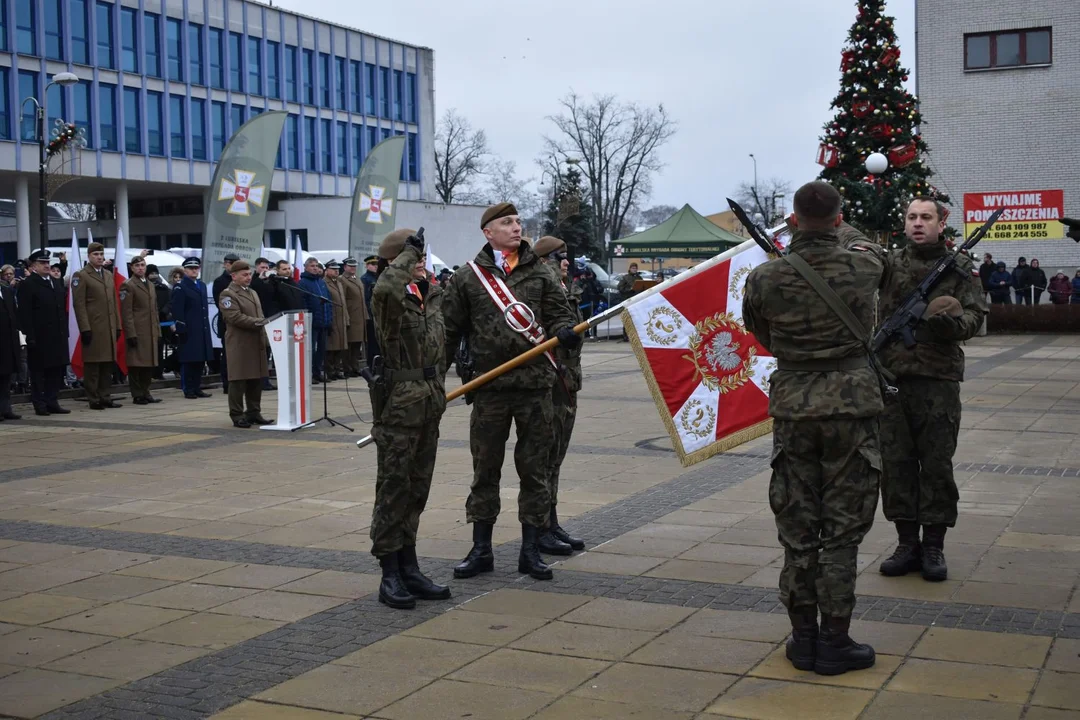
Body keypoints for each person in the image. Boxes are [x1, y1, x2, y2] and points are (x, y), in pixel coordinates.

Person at [742, 181, 885, 676]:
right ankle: (836, 639)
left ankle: (803, 638)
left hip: (794, 407)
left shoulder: (764, 278)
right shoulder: (864, 265)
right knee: (842, 531)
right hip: (851, 408)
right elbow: (869, 248)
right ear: (840, 218)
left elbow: (760, 333)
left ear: (794, 219)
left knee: (799, 528)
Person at [443, 202, 579, 582]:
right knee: (485, 470)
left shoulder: (540, 272)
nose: (517, 227)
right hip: (490, 390)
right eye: (507, 223)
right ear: (488, 232)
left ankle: (531, 550)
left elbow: (560, 314)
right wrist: (431, 379)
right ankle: (481, 549)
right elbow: (449, 332)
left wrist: (565, 331)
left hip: (536, 388)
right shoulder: (468, 278)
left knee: (535, 472)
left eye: (518, 222)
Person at [877, 197, 986, 585]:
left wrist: (948, 325)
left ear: (942, 223)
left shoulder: (959, 269)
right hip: (890, 380)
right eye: (911, 217)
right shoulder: (888, 264)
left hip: (937, 381)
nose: (918, 223)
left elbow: (975, 317)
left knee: (937, 464)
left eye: (926, 217)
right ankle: (907, 543)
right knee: (896, 463)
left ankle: (934, 544)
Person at [368, 228, 450, 609]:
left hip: (429, 404)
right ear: (394, 261)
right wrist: (406, 255)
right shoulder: (390, 299)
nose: (419, 262)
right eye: (411, 258)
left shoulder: (428, 296)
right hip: (399, 407)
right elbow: (385, 288)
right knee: (393, 490)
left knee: (417, 490)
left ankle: (410, 566)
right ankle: (389, 572)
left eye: (420, 256)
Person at [534, 235, 586, 554]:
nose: (566, 261)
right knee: (544, 458)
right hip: (550, 384)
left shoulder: (565, 291)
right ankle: (540, 527)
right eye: (558, 257)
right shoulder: (540, 293)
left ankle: (551, 522)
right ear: (542, 262)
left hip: (568, 384)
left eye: (566, 256)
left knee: (556, 459)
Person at [16, 250, 70, 416]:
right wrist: (29, 336)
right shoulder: (28, 284)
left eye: (48, 262)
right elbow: (24, 314)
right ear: (33, 266)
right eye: (42, 263)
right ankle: (39, 403)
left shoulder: (55, 282)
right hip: (39, 337)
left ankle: (52, 401)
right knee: (39, 373)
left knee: (55, 371)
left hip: (57, 335)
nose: (47, 265)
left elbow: (60, 310)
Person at [218, 260, 271, 428]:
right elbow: (234, 317)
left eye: (249, 274)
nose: (249, 277)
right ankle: (237, 414)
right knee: (238, 379)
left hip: (256, 342)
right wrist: (260, 322)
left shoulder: (252, 292)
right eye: (244, 275)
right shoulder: (228, 294)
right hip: (239, 343)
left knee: (256, 378)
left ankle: (254, 412)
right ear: (234, 276)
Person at [72, 242, 122, 410]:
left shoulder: (107, 275)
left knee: (107, 365)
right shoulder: (81, 275)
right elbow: (79, 305)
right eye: (96, 255)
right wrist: (85, 328)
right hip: (93, 328)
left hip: (108, 327)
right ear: (89, 256)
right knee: (93, 366)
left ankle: (105, 396)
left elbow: (113, 302)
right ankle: (93, 399)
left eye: (101, 254)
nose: (99, 257)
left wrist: (117, 325)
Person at [120, 255, 162, 405]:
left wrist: (158, 331)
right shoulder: (128, 285)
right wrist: (131, 333)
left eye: (143, 265)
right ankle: (137, 394)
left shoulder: (150, 284)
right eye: (137, 266)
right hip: (137, 330)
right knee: (136, 365)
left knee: (148, 364)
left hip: (150, 330)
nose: (140, 268)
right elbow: (127, 312)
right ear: (131, 268)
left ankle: (146, 392)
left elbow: (154, 310)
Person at [171, 257, 214, 399]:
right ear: (185, 270)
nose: (194, 270)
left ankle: (197, 387)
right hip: (189, 329)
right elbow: (177, 309)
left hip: (201, 328)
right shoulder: (180, 287)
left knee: (200, 360)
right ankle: (188, 389)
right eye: (191, 268)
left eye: (196, 268)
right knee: (189, 360)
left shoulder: (201, 285)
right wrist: (181, 327)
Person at [298, 257, 332, 383]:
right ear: (306, 267)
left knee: (321, 349)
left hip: (323, 321)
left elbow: (328, 302)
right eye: (312, 266)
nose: (315, 268)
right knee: (310, 350)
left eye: (317, 266)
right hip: (311, 322)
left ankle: (318, 372)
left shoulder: (321, 282)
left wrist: (329, 319)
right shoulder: (303, 283)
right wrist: (307, 318)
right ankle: (309, 374)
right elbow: (304, 302)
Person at [212, 252, 240, 392]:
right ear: (226, 264)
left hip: (241, 324)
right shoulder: (220, 281)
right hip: (227, 323)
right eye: (231, 264)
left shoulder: (240, 281)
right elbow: (221, 304)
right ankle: (227, 384)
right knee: (228, 354)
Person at [250, 257, 278, 391]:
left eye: (267, 268)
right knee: (261, 351)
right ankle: (261, 380)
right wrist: (260, 279)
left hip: (271, 318)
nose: (265, 270)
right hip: (259, 319)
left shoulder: (271, 281)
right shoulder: (254, 281)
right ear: (256, 268)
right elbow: (254, 291)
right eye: (262, 267)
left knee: (269, 350)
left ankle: (266, 379)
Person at [323, 260, 350, 381]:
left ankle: (337, 369)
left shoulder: (338, 282)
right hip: (333, 318)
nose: (336, 271)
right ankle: (330, 370)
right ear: (327, 270)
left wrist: (346, 318)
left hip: (341, 319)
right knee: (331, 348)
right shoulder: (325, 283)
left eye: (337, 269)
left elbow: (343, 302)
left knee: (340, 347)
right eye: (333, 269)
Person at [341, 257, 368, 377]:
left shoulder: (357, 279)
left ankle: (355, 366)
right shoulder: (343, 280)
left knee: (357, 344)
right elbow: (343, 300)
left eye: (354, 266)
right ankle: (348, 368)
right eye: (350, 266)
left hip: (360, 316)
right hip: (351, 315)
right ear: (345, 267)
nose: (353, 268)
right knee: (349, 345)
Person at [0, 272, 21, 420]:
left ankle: (5, 409)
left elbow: (14, 313)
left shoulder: (6, 291)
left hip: (7, 342)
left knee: (6, 377)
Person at [146, 264, 172, 379]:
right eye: (151, 273)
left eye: (156, 273)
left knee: (160, 347)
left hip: (162, 322)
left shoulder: (164, 288)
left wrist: (164, 311)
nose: (154, 276)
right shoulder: (145, 287)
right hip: (148, 322)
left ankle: (158, 371)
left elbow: (170, 301)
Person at [361, 255, 380, 370]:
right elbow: (366, 299)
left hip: (378, 314)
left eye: (377, 264)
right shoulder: (365, 279)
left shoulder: (377, 278)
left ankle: (377, 362)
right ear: (367, 265)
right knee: (372, 342)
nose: (375, 267)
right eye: (373, 264)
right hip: (371, 315)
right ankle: (371, 364)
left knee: (378, 342)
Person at [617, 263, 644, 341]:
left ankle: (636, 336)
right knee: (627, 319)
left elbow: (642, 287)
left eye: (635, 268)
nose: (634, 269)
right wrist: (629, 289)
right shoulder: (625, 278)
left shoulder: (639, 277)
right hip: (628, 300)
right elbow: (620, 287)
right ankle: (626, 336)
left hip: (637, 300)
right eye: (633, 268)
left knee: (637, 319)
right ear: (630, 269)